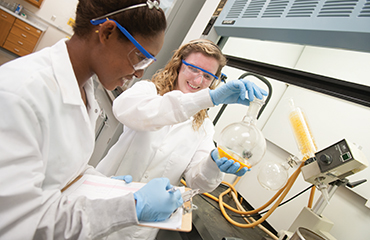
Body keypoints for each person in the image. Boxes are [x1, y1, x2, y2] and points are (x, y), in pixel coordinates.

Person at [0, 1, 185, 239]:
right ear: (107, 32)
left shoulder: (85, 90)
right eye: (140, 57)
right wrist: (129, 208)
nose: (139, 73)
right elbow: (21, 224)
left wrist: (102, 185)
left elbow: (63, 169)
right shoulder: (19, 95)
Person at [96, 39, 268, 239]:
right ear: (178, 65)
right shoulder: (148, 91)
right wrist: (209, 99)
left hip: (140, 225)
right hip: (104, 198)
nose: (198, 81)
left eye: (207, 76)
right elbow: (123, 109)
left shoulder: (204, 128)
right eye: (193, 69)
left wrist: (213, 162)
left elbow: (198, 182)